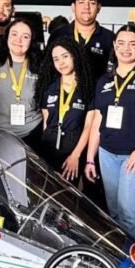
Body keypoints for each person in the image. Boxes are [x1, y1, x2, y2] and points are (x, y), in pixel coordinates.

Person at [84, 24, 135, 241]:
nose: (126, 48)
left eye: (132, 44)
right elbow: (97, 122)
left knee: (129, 211)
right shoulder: (104, 81)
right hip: (107, 154)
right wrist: (90, 159)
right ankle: (119, 258)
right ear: (114, 45)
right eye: (121, 43)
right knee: (114, 212)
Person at [0, 18, 43, 149]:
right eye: (14, 34)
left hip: (34, 133)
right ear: (7, 37)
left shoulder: (41, 66)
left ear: (32, 41)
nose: (19, 40)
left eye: (25, 36)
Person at [34, 36, 95, 181]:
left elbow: (88, 126)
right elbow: (46, 123)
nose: (61, 63)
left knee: (68, 196)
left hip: (72, 152)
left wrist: (76, 155)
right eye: (56, 59)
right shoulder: (49, 87)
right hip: (48, 150)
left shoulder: (87, 87)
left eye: (65, 56)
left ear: (74, 55)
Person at [48, 0, 115, 81]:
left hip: (96, 95)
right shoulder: (58, 35)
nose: (86, 7)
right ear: (73, 7)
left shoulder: (109, 38)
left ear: (99, 8)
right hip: (63, 94)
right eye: (81, 2)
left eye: (92, 2)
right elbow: (47, 70)